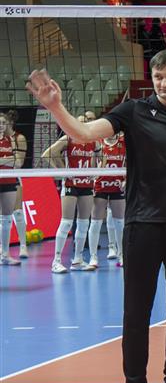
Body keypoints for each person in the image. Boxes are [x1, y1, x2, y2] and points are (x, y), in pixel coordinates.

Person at [29, 51, 166, 383]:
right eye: (158, 76)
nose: (164, 83)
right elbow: (84, 133)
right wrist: (55, 107)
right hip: (143, 224)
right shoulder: (134, 111)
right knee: (137, 310)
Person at [41, 111, 101, 272]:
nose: (82, 124)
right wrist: (63, 171)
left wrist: (96, 172)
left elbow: (101, 156)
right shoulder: (68, 138)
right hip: (70, 184)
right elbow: (47, 154)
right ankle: (56, 261)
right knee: (67, 222)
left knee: (83, 223)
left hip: (86, 185)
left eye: (85, 121)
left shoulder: (93, 141)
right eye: (79, 121)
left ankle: (77, 259)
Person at [88, 132, 127, 268]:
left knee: (120, 223)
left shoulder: (123, 142)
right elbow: (92, 166)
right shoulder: (98, 142)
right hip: (100, 186)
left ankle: (122, 254)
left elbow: (130, 163)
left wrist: (126, 179)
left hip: (117, 186)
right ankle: (93, 257)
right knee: (95, 222)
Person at [0, 111, 31, 265]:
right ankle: (3, 250)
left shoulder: (15, 139)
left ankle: (18, 248)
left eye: (3, 123)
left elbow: (18, 163)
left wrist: (5, 160)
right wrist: (8, 160)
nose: (2, 126)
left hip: (11, 179)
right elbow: (13, 160)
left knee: (13, 214)